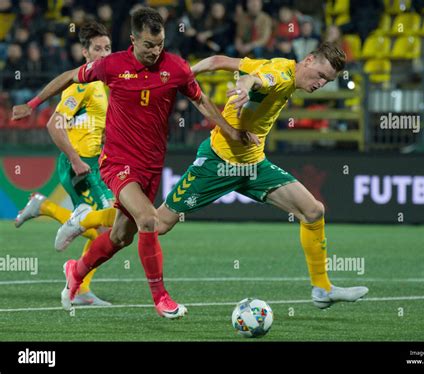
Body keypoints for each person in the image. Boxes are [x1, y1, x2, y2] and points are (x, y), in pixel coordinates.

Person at [70, 42, 369, 309]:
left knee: (313, 211)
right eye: (319, 75)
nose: (320, 83)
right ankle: (84, 221)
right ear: (309, 59)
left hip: (253, 166)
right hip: (217, 164)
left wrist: (185, 75)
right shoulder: (280, 74)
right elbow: (258, 80)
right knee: (152, 225)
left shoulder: (278, 66)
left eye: (327, 81)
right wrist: (245, 87)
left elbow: (216, 61)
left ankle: (322, 289)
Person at [12, 7, 258, 319]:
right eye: (148, 46)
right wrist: (32, 104)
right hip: (117, 162)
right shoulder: (112, 65)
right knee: (148, 220)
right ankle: (161, 297)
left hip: (151, 166)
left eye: (160, 45)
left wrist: (231, 131)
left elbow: (200, 101)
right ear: (132, 40)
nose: (155, 52)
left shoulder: (177, 68)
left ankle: (76, 270)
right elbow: (68, 77)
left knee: (119, 237)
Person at [14, 21, 116, 306]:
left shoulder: (103, 84)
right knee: (112, 227)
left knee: (108, 231)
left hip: (95, 164)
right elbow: (53, 125)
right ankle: (79, 280)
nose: (104, 54)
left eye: (108, 48)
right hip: (79, 165)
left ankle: (44, 207)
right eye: (98, 49)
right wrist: (75, 159)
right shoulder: (81, 86)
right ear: (85, 53)